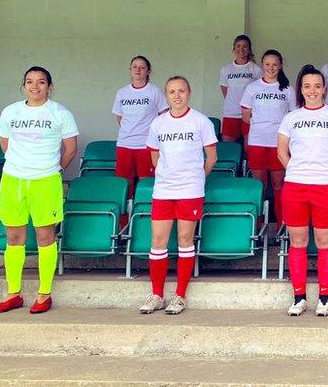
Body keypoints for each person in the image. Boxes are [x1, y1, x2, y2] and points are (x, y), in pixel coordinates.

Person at [0, 66, 78, 314]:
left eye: (41, 82)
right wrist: (22, 165)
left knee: (44, 237)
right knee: (14, 238)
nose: (35, 86)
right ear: (24, 85)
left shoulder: (60, 113)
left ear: (49, 86)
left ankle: (44, 294)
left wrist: (54, 170)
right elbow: (5, 143)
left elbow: (70, 149)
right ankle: (14, 293)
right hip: (14, 180)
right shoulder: (11, 111)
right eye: (30, 81)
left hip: (46, 181)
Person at [278, 65, 328, 317]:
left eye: (317, 86)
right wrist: (297, 171)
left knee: (325, 242)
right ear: (301, 89)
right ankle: (299, 297)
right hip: (296, 187)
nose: (312, 90)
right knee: (298, 242)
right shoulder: (291, 118)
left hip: (327, 187)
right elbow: (282, 152)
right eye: (307, 86)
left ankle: (324, 297)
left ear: (324, 89)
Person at [139, 76, 218, 315]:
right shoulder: (158, 123)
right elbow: (154, 155)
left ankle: (180, 296)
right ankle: (157, 295)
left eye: (181, 91)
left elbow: (211, 157)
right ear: (166, 95)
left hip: (190, 190)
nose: (177, 95)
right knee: (158, 242)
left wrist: (196, 178)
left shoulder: (200, 121)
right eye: (172, 91)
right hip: (164, 189)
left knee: (185, 240)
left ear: (189, 93)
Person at [240, 50, 296, 226]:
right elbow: (245, 115)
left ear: (280, 65)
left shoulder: (288, 89)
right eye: (267, 64)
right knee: (259, 186)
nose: (271, 68)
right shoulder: (252, 87)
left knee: (279, 185)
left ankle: (282, 225)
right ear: (262, 65)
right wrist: (261, 126)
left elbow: (293, 117)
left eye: (274, 64)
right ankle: (257, 227)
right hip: (257, 142)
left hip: (278, 143)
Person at [112, 56, 167, 198]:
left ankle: (143, 216)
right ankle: (124, 219)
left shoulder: (155, 91)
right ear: (130, 70)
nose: (138, 70)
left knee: (146, 184)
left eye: (142, 67)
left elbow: (164, 116)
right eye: (135, 66)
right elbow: (120, 117)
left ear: (148, 71)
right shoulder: (122, 93)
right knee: (124, 184)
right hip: (124, 144)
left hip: (146, 146)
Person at [219, 35, 262, 143]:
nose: (241, 49)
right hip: (230, 114)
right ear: (234, 49)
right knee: (229, 148)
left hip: (250, 115)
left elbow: (260, 92)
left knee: (249, 149)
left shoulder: (256, 69)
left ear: (249, 49)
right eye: (238, 46)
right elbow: (225, 91)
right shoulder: (226, 69)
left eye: (244, 46)